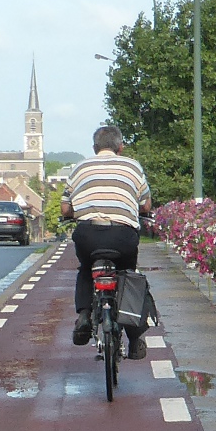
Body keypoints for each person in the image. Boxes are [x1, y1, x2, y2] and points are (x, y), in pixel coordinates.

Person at [60, 125, 152, 360]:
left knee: (85, 270)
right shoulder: (132, 166)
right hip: (123, 236)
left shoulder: (79, 168)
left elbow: (65, 208)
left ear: (95, 148)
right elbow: (146, 205)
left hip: (88, 235)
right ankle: (134, 341)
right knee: (128, 276)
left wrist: (77, 212)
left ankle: (83, 315)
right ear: (120, 147)